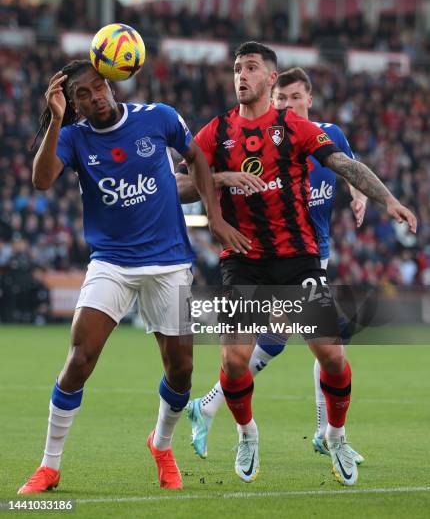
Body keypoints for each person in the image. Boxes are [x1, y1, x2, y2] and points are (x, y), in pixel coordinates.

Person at [176, 41, 416, 486]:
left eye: (250, 68)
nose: (240, 76)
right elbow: (178, 183)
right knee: (233, 361)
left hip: (298, 260)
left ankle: (337, 437)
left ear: (270, 78)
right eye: (236, 68)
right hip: (243, 261)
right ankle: (248, 435)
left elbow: (344, 164)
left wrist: (389, 200)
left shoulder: (295, 127)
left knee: (331, 354)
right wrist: (221, 180)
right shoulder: (216, 132)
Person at [18, 59, 250, 495]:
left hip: (169, 261)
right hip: (112, 263)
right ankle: (49, 466)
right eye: (81, 96)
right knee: (79, 360)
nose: (94, 97)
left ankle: (161, 445)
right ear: (75, 106)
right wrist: (53, 119)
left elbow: (196, 158)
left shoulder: (158, 118)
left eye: (98, 87)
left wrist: (215, 219)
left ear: (110, 82)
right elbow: (42, 179)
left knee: (181, 371)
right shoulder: (72, 137)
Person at [185, 66, 368, 466]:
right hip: (278, 258)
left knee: (289, 341)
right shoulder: (272, 141)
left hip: (311, 255)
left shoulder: (327, 136)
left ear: (310, 99)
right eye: (281, 99)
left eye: (295, 98)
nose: (287, 105)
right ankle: (325, 432)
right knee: (326, 340)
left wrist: (360, 195)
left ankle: (210, 406)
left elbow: (349, 167)